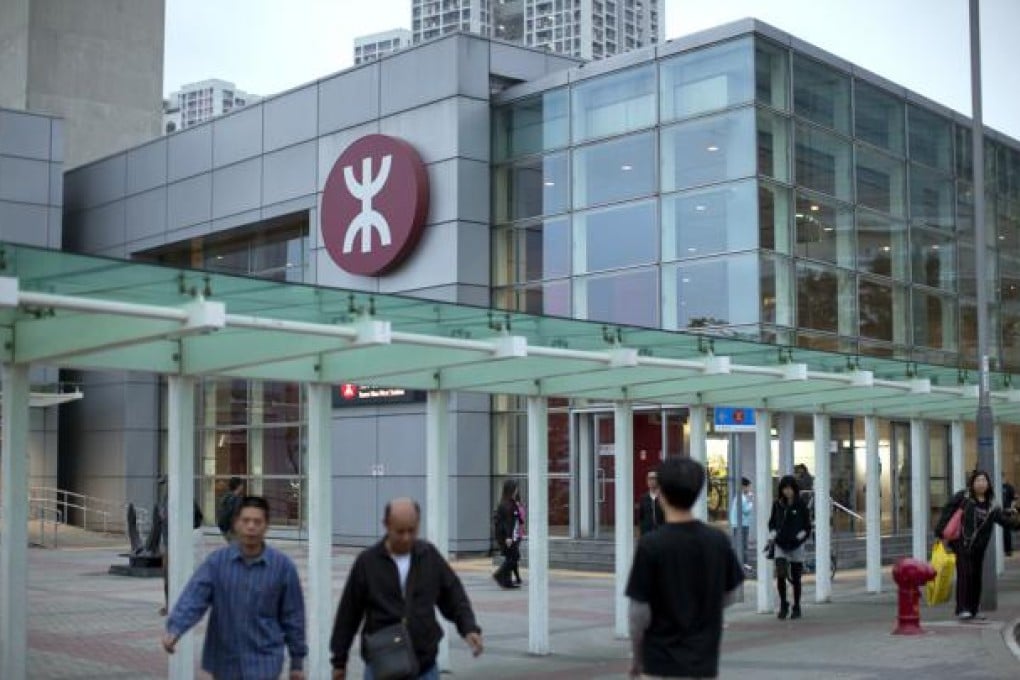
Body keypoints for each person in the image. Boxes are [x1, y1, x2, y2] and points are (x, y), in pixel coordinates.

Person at [330, 497, 484, 679]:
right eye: (400, 531)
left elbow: (453, 595)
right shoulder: (367, 563)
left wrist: (469, 628)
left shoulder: (429, 557)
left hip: (424, 666)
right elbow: (349, 613)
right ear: (386, 525)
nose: (406, 538)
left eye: (412, 531)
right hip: (381, 665)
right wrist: (339, 661)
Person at [163, 496, 307, 680]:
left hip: (265, 661)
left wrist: (297, 662)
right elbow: (195, 597)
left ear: (266, 525)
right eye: (246, 520)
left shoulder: (282, 567)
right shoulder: (217, 562)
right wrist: (175, 628)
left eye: (257, 521)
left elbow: (293, 616)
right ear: (236, 523)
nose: (251, 527)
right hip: (225, 661)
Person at [626, 458, 744, 679]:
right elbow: (731, 593)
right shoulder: (717, 541)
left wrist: (636, 659)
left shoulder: (651, 545)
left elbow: (638, 613)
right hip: (703, 662)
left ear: (661, 493)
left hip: (661, 662)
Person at [935, 470, 1019, 620]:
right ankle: (962, 609)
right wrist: (941, 533)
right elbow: (948, 512)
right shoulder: (964, 497)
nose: (981, 483)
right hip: (961, 542)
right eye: (978, 480)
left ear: (988, 484)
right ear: (972, 483)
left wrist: (1017, 522)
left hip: (979, 546)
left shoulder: (991, 504)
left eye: (984, 481)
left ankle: (974, 609)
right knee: (965, 574)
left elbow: (1005, 521)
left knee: (976, 576)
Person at [155, 475, 205, 617]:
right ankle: (170, 604)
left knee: (185, 575)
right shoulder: (163, 500)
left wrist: (185, 536)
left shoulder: (185, 498)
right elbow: (160, 523)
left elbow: (198, 518)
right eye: (164, 484)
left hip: (181, 544)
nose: (165, 487)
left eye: (166, 483)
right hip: (168, 544)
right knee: (167, 576)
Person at [767, 475, 812, 620]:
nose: (787, 491)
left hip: (796, 545)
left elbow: (807, 526)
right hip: (780, 544)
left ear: (794, 489)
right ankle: (783, 604)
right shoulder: (777, 504)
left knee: (796, 577)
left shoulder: (801, 505)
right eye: (784, 488)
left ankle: (797, 606)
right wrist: (774, 535)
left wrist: (798, 538)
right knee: (780, 574)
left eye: (789, 488)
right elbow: (772, 523)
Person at [492, 479, 523, 589]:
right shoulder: (508, 504)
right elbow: (508, 522)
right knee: (513, 557)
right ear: (511, 490)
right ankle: (499, 574)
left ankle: (507, 581)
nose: (517, 491)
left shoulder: (507, 503)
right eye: (515, 488)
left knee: (511, 556)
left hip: (505, 535)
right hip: (507, 536)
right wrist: (509, 537)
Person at [729, 477, 754, 566]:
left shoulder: (739, 497)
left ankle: (741, 562)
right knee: (743, 544)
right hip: (742, 524)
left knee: (740, 543)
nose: (750, 489)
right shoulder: (742, 498)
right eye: (749, 487)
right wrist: (751, 501)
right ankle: (743, 563)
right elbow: (746, 510)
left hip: (739, 524)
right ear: (744, 487)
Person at [216, 476, 245, 542]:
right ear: (239, 486)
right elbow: (236, 515)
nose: (243, 486)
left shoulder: (226, 496)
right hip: (232, 530)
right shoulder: (236, 499)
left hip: (224, 528)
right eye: (242, 484)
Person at [638, 470, 665, 536]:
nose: (651, 481)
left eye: (654, 478)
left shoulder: (663, 497)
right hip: (647, 533)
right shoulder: (644, 498)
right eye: (649, 478)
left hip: (661, 533)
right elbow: (641, 517)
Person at [512, 486, 526, 586]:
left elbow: (520, 521)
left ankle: (517, 578)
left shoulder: (518, 509)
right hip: (515, 535)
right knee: (513, 558)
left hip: (515, 536)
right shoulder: (520, 509)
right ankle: (517, 577)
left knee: (513, 558)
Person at [1003, 479, 1017, 556]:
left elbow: (1014, 499)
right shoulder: (994, 486)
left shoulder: (1009, 487)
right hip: (998, 511)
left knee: (1006, 531)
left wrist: (1011, 508)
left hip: (1007, 511)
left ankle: (1008, 550)